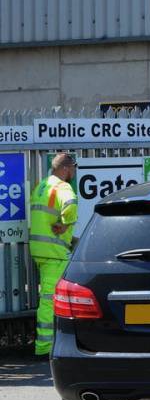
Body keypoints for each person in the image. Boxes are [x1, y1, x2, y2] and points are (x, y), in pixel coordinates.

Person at [29, 153, 78, 358]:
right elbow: (71, 204)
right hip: (54, 252)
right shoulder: (63, 187)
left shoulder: (42, 185)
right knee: (50, 299)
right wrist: (66, 224)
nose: (74, 172)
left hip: (40, 249)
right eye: (73, 168)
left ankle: (48, 343)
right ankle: (44, 347)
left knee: (50, 297)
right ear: (66, 169)